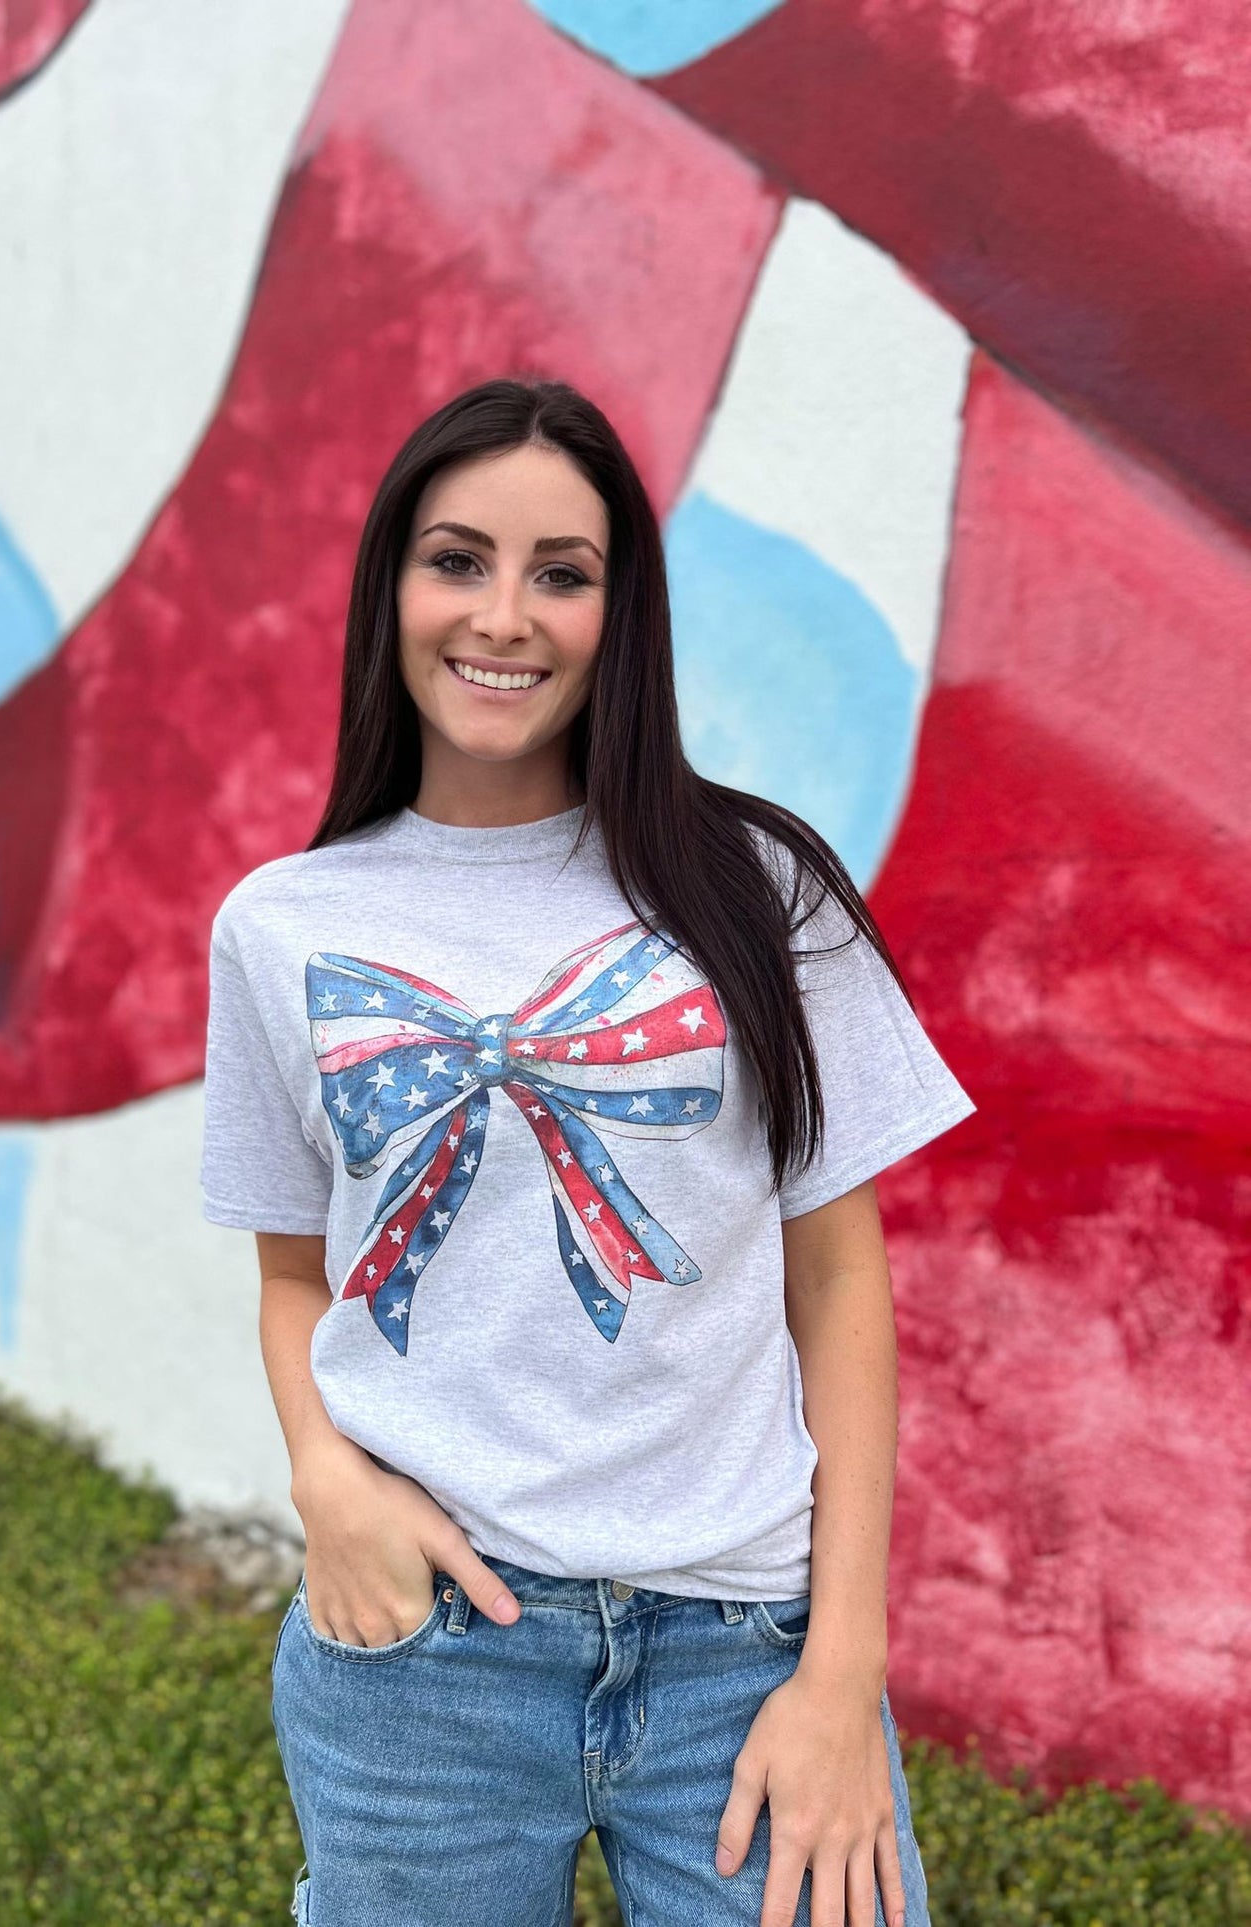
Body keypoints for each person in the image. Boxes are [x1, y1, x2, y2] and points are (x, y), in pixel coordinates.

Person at [199, 375, 976, 1927]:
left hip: (740, 1645)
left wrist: (842, 1673)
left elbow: (836, 1278)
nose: (505, 615)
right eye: (457, 558)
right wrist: (322, 1483)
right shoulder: (281, 925)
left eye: (563, 572)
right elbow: (298, 1274)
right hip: (426, 1654)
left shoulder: (755, 888)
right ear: (392, 589)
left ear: (622, 616)